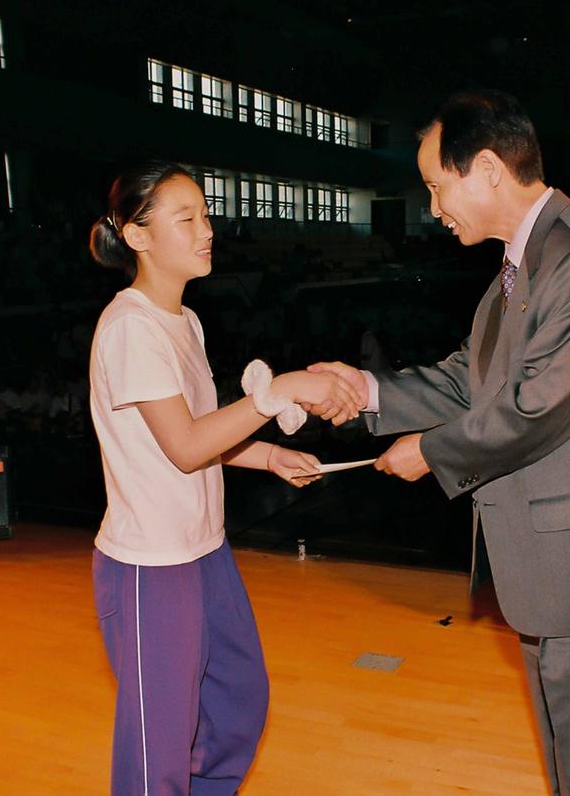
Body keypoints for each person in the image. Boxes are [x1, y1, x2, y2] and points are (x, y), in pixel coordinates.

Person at [309, 90, 570, 795]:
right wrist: (365, 391)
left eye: (436, 185)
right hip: (555, 571)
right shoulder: (515, 275)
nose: (432, 207)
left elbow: (536, 409)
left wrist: (428, 451)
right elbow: (466, 382)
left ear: (487, 168)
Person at [86, 161, 360, 796]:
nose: (207, 230)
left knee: (239, 698)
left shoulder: (185, 321)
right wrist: (281, 390)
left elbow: (196, 428)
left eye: (205, 214)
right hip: (148, 567)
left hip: (203, 548)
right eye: (188, 219)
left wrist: (265, 456)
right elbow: (184, 447)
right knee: (159, 742)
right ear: (138, 235)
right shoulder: (130, 328)